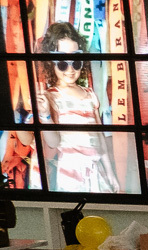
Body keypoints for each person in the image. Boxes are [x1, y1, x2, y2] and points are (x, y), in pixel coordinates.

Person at [17, 22, 120, 193]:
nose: (70, 69)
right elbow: (48, 142)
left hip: (95, 173)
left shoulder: (89, 94)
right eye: (62, 63)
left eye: (76, 62)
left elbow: (99, 137)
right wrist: (43, 115)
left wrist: (110, 172)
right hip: (68, 177)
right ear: (50, 62)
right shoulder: (49, 97)